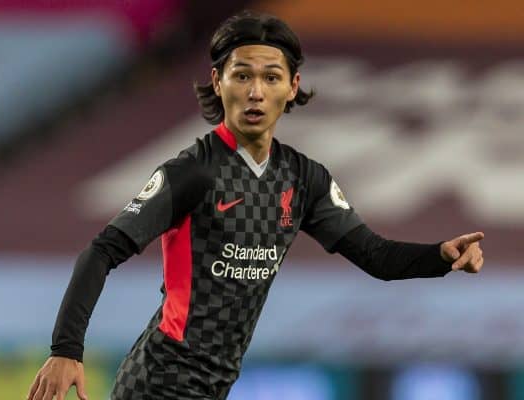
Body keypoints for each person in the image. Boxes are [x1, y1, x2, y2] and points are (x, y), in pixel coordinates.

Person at [27, 10, 484, 400]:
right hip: (161, 381)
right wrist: (66, 349)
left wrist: (440, 256)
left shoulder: (304, 180)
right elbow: (102, 250)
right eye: (241, 74)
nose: (255, 91)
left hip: (214, 385)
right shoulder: (193, 172)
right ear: (218, 81)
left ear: (292, 85)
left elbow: (375, 255)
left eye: (270, 77)